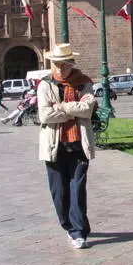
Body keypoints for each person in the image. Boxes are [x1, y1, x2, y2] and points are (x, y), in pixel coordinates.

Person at [38, 43, 96, 250]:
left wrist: (61, 108)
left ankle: (78, 231)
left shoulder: (84, 83)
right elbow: (45, 114)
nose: (60, 69)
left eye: (64, 65)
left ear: (71, 63)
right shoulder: (45, 85)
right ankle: (69, 223)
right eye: (56, 64)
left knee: (77, 189)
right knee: (59, 192)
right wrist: (74, 110)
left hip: (79, 145)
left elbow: (88, 108)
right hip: (54, 147)